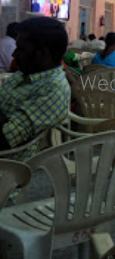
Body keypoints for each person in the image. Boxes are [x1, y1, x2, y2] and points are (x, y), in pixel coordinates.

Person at [0, 18, 71, 160]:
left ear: (43, 54)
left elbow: (3, 140)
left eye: (21, 49)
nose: (14, 55)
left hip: (7, 166)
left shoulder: (53, 90)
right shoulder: (26, 73)